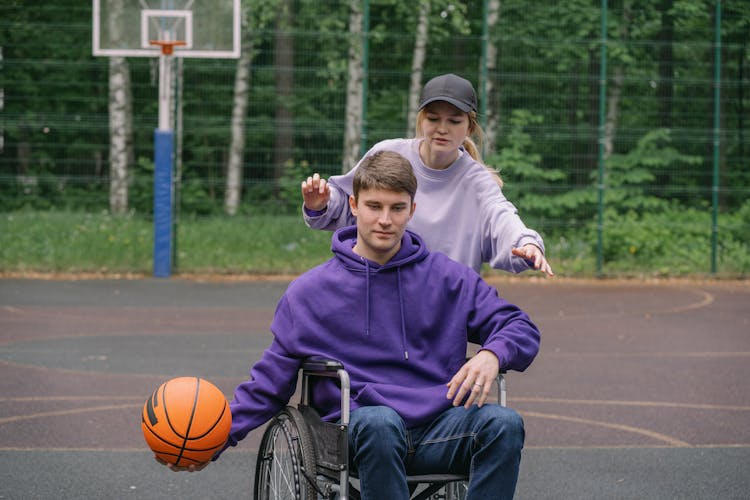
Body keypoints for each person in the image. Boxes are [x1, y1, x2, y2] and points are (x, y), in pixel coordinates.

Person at [161, 151, 540, 499]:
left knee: (503, 423)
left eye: (397, 208)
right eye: (374, 206)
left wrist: (492, 354)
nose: (385, 220)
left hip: (438, 427)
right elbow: (269, 385)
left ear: (412, 210)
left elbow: (519, 327)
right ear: (355, 205)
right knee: (380, 422)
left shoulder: (448, 278)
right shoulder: (309, 293)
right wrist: (212, 441)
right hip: (352, 434)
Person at [302, 73, 554, 277]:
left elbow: (502, 218)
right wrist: (323, 203)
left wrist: (527, 242)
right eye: (433, 119)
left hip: (444, 305)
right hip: (383, 289)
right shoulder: (389, 153)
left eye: (454, 121)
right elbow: (350, 203)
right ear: (421, 120)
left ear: (470, 126)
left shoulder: (478, 182)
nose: (442, 129)